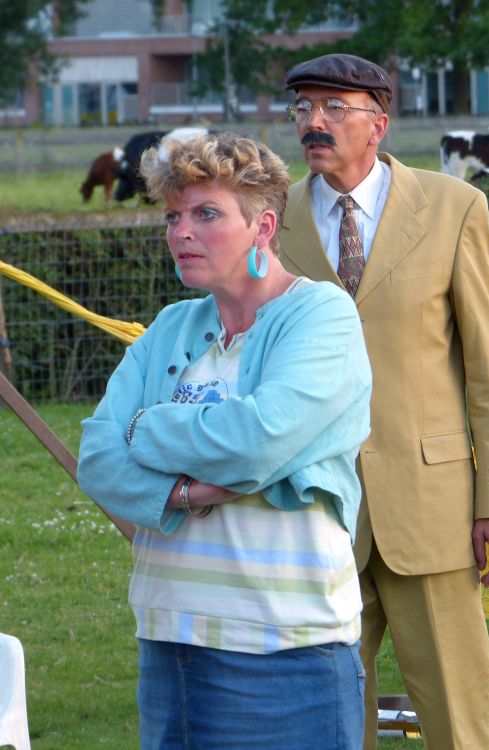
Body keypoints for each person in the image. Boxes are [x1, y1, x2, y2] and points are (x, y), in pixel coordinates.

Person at [77, 132, 372, 750]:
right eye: (173, 215)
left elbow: (256, 442)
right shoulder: (170, 327)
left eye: (206, 213)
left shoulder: (321, 317)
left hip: (286, 650)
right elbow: (98, 459)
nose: (180, 232)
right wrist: (186, 491)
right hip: (169, 644)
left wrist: (143, 429)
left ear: (263, 226)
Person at [277, 53, 489, 750]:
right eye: (303, 109)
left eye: (332, 108)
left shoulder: (455, 207)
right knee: (323, 714)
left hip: (431, 506)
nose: (313, 123)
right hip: (314, 509)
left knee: (458, 712)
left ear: (377, 124)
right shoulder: (273, 218)